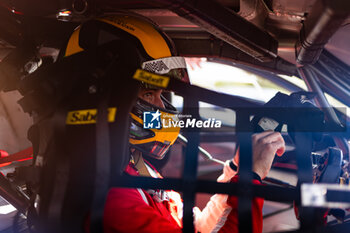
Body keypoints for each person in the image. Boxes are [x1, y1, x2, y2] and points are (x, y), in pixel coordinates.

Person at [63, 12, 285, 233]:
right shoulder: (115, 199)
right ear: (106, 95)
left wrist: (235, 172)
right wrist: (249, 180)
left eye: (162, 94)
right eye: (149, 94)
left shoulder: (136, 167)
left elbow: (195, 228)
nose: (161, 107)